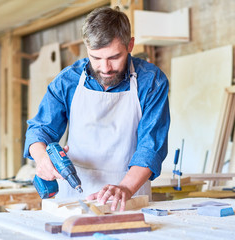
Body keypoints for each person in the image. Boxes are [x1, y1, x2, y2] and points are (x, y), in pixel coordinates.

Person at [23, 6, 170, 211]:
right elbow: (40, 129)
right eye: (96, 58)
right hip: (73, 198)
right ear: (87, 48)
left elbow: (151, 146)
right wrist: (42, 158)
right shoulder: (68, 80)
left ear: (130, 45)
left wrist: (125, 188)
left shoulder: (151, 81)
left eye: (113, 57)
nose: (105, 68)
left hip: (129, 195)